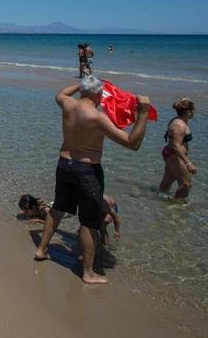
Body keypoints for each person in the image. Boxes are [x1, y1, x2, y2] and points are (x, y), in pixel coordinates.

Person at [34, 75, 151, 284]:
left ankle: (41, 249)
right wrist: (143, 113)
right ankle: (88, 273)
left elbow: (60, 93)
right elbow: (132, 143)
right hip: (86, 170)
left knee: (58, 208)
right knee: (89, 221)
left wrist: (80, 85)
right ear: (99, 94)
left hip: (64, 164)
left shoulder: (68, 104)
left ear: (82, 91)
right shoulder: (98, 118)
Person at [158, 98, 197, 199]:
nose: (194, 112)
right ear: (188, 112)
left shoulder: (178, 120)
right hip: (174, 156)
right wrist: (188, 163)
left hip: (170, 154)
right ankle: (178, 206)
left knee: (169, 179)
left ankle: (160, 198)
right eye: (193, 110)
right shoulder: (180, 125)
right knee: (186, 184)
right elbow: (176, 145)